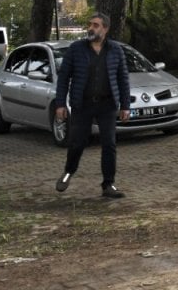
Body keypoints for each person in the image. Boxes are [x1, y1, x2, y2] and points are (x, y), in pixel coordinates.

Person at [53, 13, 132, 199]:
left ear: (105, 29)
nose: (91, 28)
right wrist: (60, 104)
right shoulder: (76, 49)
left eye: (96, 25)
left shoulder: (115, 50)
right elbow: (64, 77)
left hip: (107, 104)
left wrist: (125, 105)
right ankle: (68, 172)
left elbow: (123, 79)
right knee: (77, 142)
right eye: (90, 24)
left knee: (109, 144)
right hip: (83, 103)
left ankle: (108, 184)